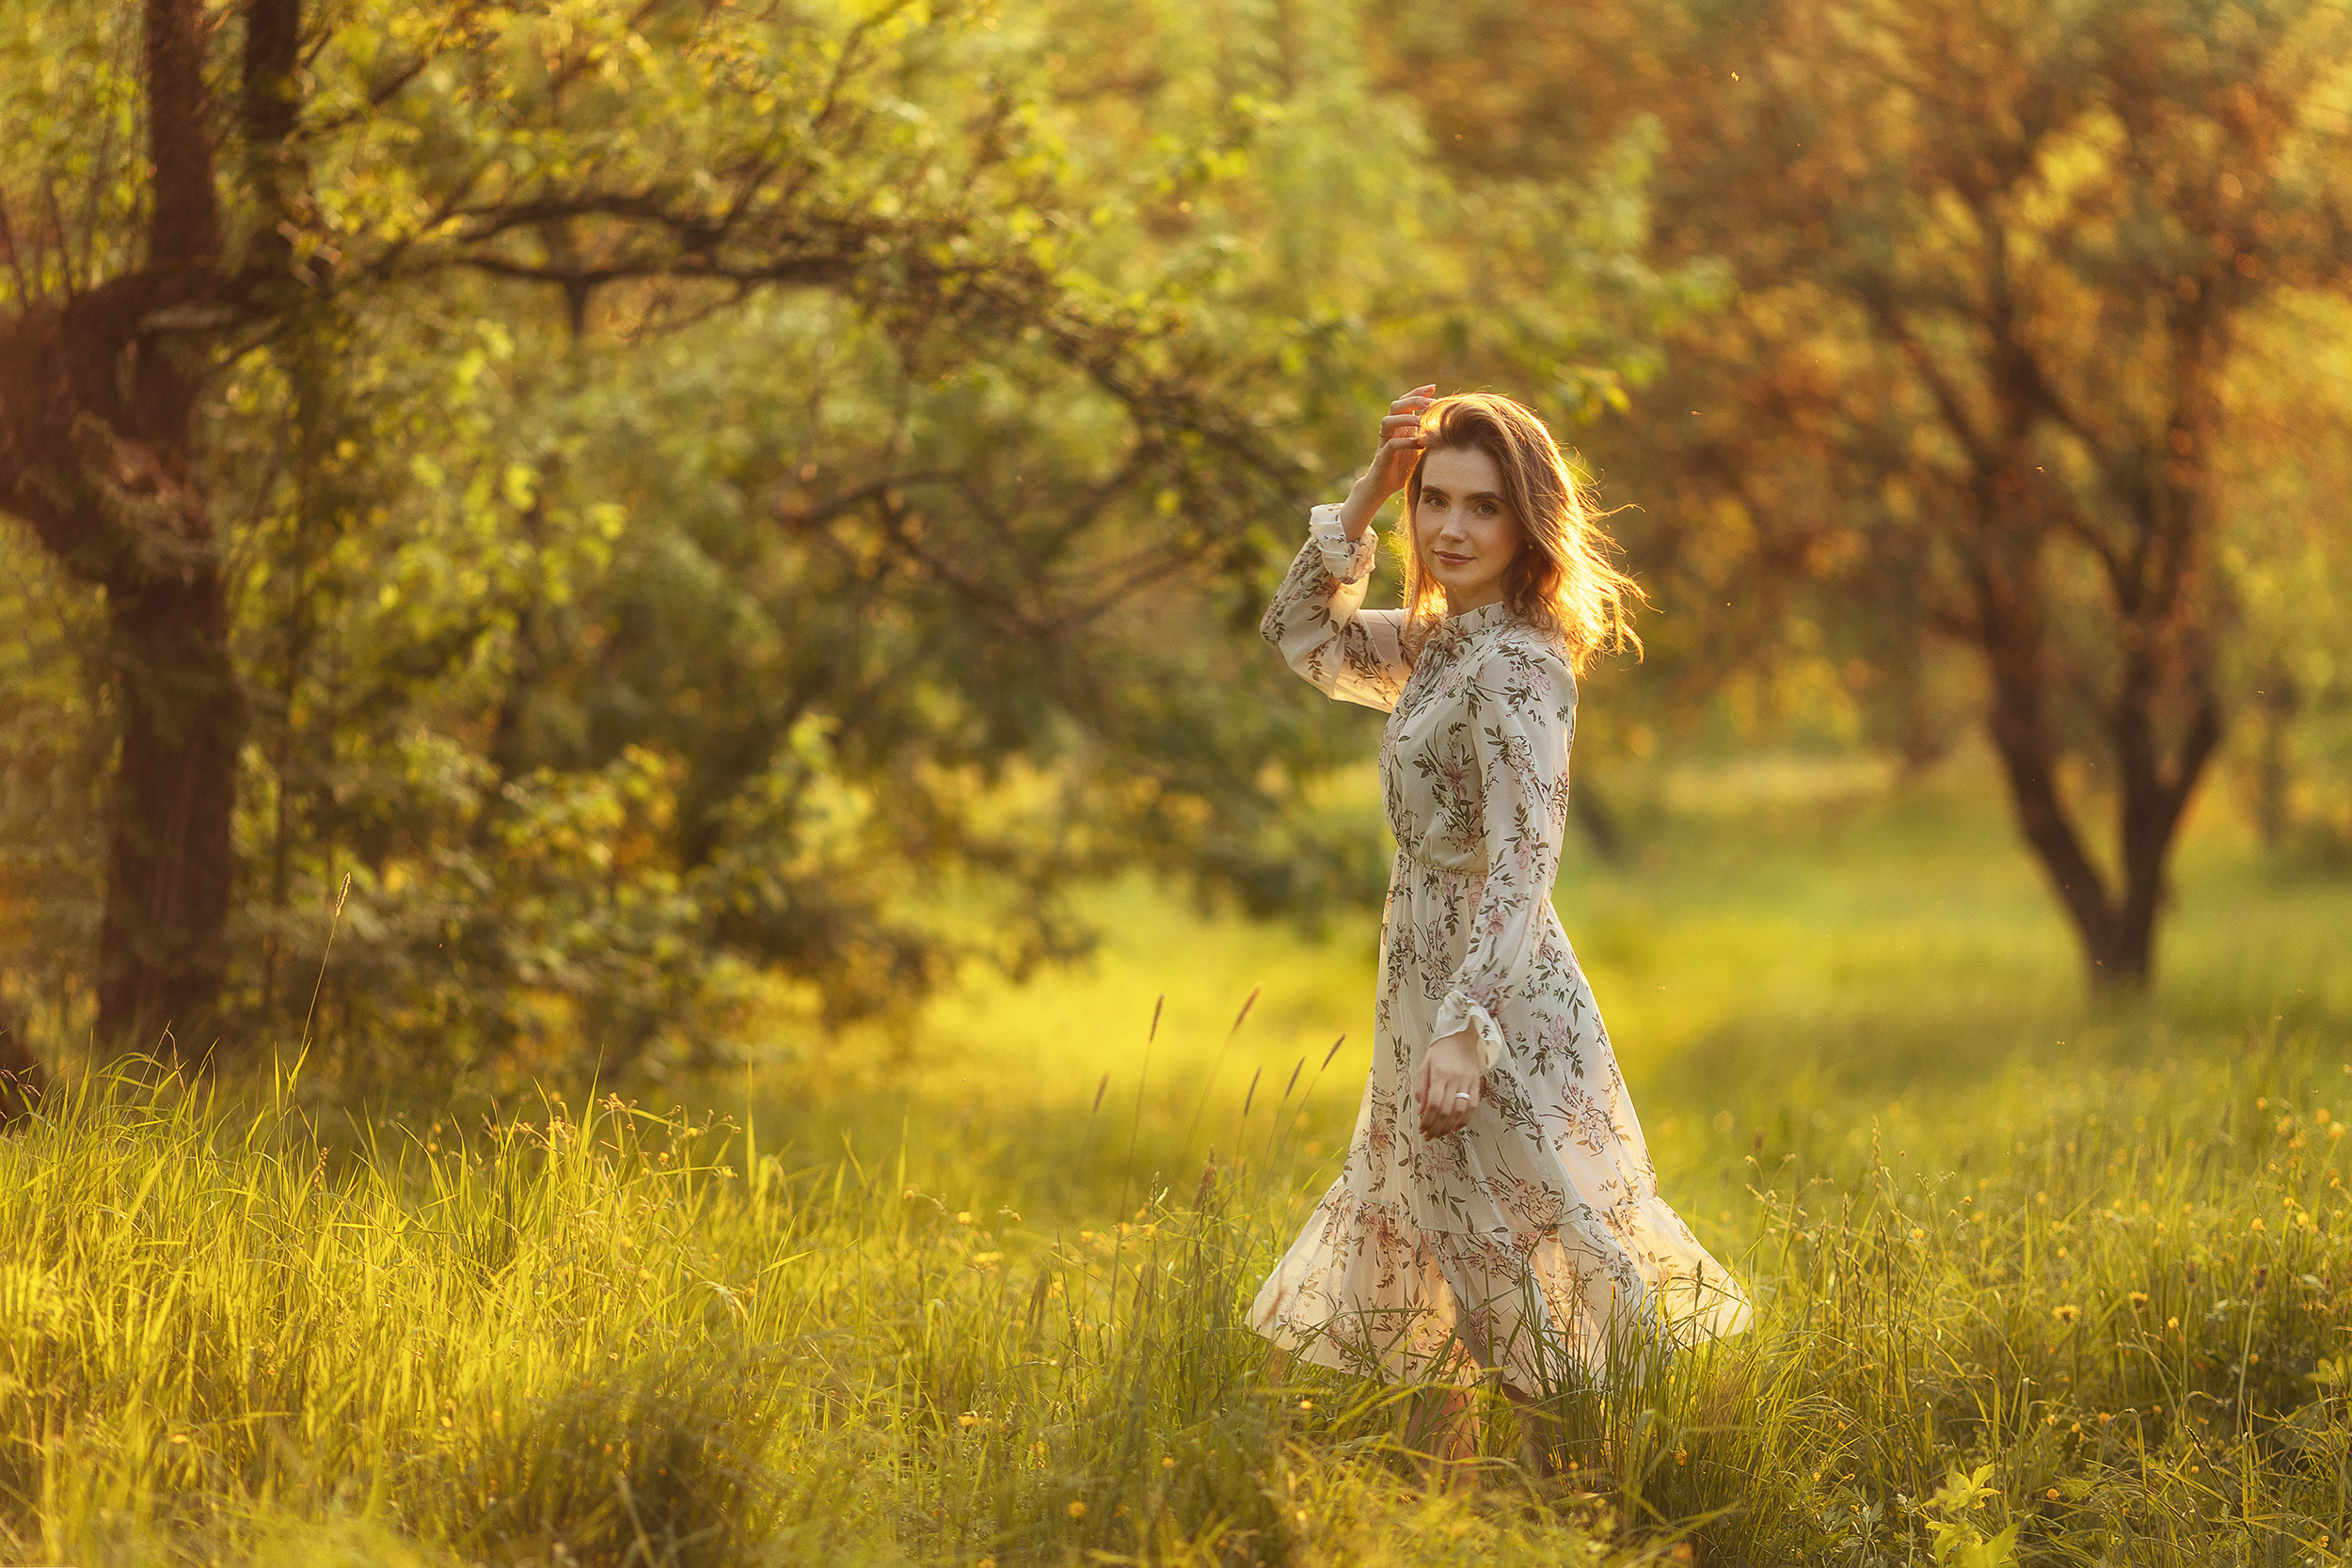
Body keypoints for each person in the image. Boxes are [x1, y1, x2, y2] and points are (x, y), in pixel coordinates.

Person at [1249, 385, 1752, 1482]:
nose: (1449, 529)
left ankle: (1579, 1495)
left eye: (1481, 506)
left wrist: (1465, 1027)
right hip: (1418, 972)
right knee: (1443, 1237)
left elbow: (1527, 856)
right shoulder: (1437, 644)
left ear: (1528, 524)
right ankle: (1471, 1505)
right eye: (1435, 500)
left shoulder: (1520, 662)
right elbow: (1298, 632)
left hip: (1492, 991)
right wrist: (1367, 491)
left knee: (1505, 1241)